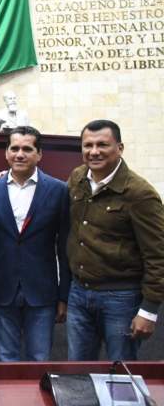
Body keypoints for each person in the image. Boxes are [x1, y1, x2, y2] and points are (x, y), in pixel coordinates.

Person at [66, 119, 164, 361]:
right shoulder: (77, 178)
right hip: (79, 293)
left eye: (103, 145)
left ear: (119, 148)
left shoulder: (140, 193)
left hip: (121, 298)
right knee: (77, 373)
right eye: (88, 145)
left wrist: (149, 311)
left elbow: (157, 255)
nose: (94, 151)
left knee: (120, 375)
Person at [0, 126, 70, 361]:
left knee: (39, 360)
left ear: (39, 154)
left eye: (27, 149)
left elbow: (65, 247)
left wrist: (64, 295)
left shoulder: (58, 190)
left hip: (43, 291)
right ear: (6, 152)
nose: (20, 154)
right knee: (5, 362)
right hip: (0, 289)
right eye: (14, 148)